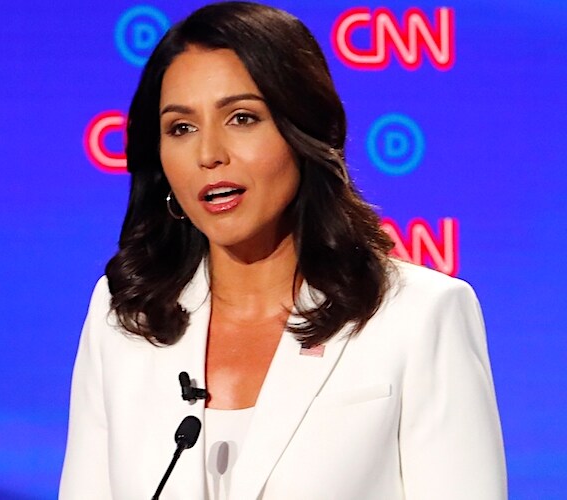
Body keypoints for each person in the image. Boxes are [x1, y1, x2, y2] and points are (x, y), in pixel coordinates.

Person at [59, 2, 507, 499]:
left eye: (242, 117)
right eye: (181, 128)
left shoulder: (418, 315)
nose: (209, 154)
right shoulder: (126, 316)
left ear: (304, 131)